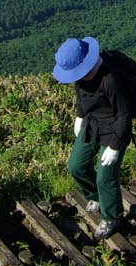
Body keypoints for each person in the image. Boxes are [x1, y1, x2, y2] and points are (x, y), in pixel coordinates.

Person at [52, 36, 130, 240]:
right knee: (76, 166)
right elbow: (81, 96)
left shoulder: (110, 79)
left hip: (114, 131)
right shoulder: (82, 77)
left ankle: (112, 217)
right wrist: (79, 116)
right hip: (91, 125)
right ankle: (94, 195)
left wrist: (115, 146)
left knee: (105, 176)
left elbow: (124, 114)